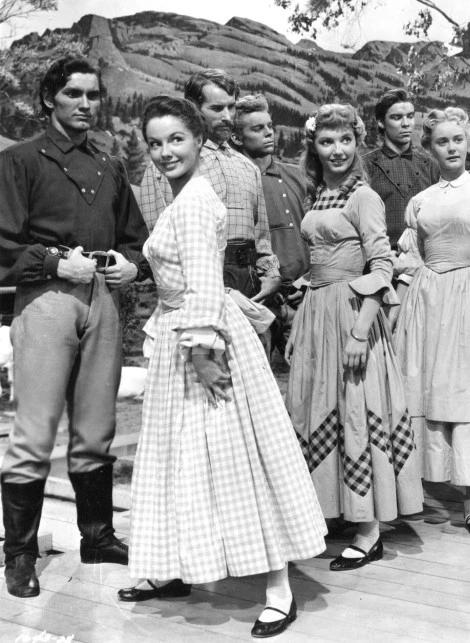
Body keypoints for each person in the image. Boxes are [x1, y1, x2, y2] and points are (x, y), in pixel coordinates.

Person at [121, 96, 326, 639]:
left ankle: (279, 589)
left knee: (237, 460)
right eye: (156, 143)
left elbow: (204, 284)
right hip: (183, 334)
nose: (166, 152)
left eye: (176, 139)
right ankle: (171, 565)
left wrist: (203, 353)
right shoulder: (184, 197)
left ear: (197, 140)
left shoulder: (193, 202)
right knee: (179, 457)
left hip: (202, 338)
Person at [0, 57, 149, 598]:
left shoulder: (110, 166)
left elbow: (134, 237)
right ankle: (20, 554)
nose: (86, 104)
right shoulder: (19, 160)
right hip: (47, 300)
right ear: (49, 99)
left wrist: (133, 264)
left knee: (95, 426)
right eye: (73, 94)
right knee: (35, 429)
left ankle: (97, 537)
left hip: (102, 299)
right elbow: (3, 243)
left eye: (93, 95)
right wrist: (55, 263)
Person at [286, 104, 423, 570]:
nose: (337, 150)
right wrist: (302, 305)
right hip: (318, 315)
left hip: (352, 313)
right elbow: (319, 262)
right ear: (314, 147)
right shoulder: (320, 195)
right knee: (321, 409)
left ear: (357, 143)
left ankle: (369, 531)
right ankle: (336, 512)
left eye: (345, 140)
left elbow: (382, 265)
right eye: (327, 141)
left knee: (358, 411)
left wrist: (361, 332)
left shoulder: (364, 197)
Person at [392, 108, 470, 537]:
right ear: (430, 148)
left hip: (469, 298)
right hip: (425, 301)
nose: (451, 148)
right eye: (442, 141)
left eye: (458, 140)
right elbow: (409, 264)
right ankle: (416, 491)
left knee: (468, 393)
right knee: (422, 388)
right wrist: (396, 316)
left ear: (469, 144)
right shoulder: (421, 201)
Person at [139, 69, 281, 303]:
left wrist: (270, 274)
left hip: (249, 283)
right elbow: (157, 246)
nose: (227, 116)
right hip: (196, 285)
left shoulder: (248, 168)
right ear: (194, 108)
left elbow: (261, 237)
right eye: (216, 108)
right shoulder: (168, 167)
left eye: (231, 107)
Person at [232, 94, 310, 358]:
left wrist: (308, 283)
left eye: (269, 126)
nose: (268, 133)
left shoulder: (297, 176)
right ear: (236, 138)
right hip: (257, 302)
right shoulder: (233, 182)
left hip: (302, 298)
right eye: (257, 128)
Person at [363, 89, 439, 249]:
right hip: (380, 257)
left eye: (410, 116)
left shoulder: (430, 165)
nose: (406, 123)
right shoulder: (367, 166)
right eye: (397, 117)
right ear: (381, 122)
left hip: (424, 256)